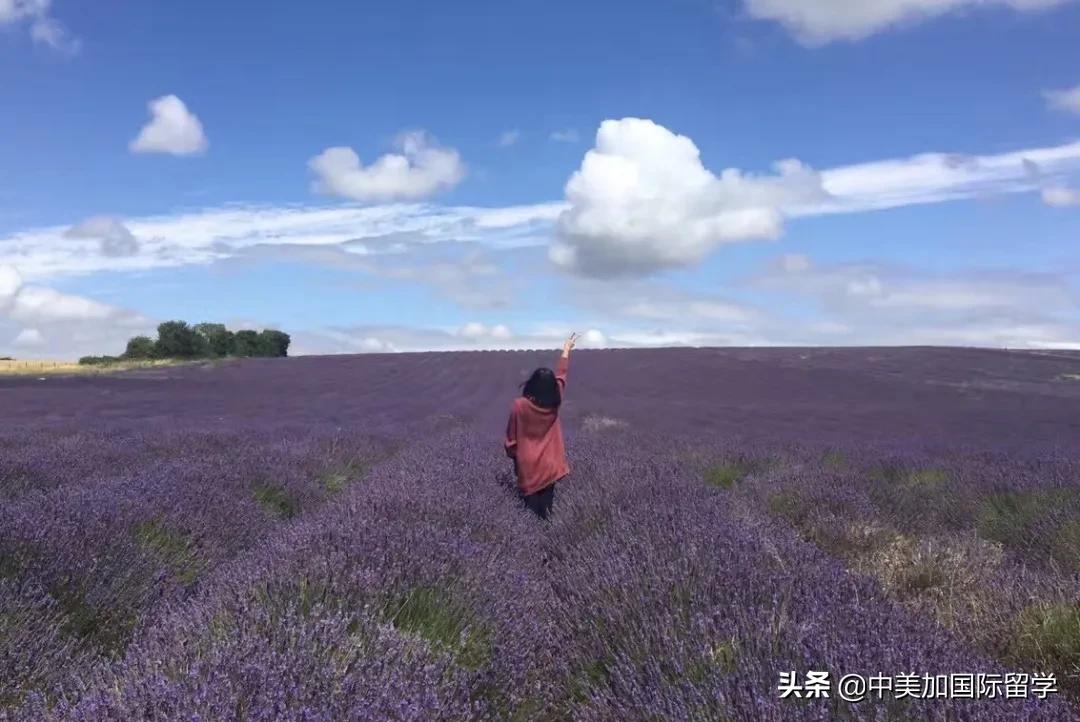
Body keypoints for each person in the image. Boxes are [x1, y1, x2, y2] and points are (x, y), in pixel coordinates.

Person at [504, 332, 579, 520]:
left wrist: (513, 455)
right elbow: (561, 376)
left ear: (531, 385)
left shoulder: (519, 405)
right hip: (550, 464)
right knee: (547, 511)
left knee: (529, 512)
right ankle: (548, 539)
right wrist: (566, 350)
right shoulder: (555, 402)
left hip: (528, 465)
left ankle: (531, 545)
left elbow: (511, 441)